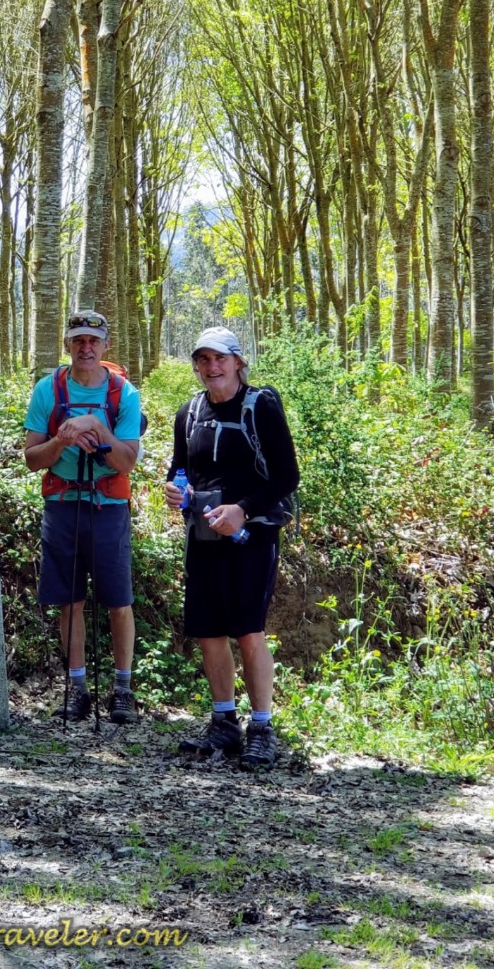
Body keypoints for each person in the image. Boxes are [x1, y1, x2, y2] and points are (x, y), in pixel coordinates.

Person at [164, 326, 299, 770]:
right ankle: (224, 722)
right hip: (203, 537)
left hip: (252, 535)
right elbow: (180, 468)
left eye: (219, 358)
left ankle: (262, 728)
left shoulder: (261, 406)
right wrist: (175, 490)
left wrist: (241, 510)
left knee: (247, 630)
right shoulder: (189, 413)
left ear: (238, 362)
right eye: (202, 359)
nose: (211, 367)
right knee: (208, 631)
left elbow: (286, 477)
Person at [24, 310, 143, 725]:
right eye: (78, 341)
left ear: (106, 345)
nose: (86, 348)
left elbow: (126, 462)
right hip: (63, 503)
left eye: (93, 340)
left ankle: (123, 690)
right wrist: (62, 439)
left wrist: (98, 429)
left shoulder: (123, 394)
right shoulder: (48, 390)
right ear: (68, 345)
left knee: (118, 599)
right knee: (69, 599)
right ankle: (76, 687)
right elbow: (31, 458)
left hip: (109, 506)